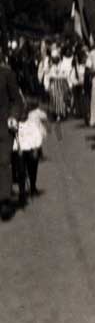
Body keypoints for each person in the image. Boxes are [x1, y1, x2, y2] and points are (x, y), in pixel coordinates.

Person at [11, 96, 47, 205]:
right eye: (21, 113)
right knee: (21, 171)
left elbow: (37, 136)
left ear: (28, 113)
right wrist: (16, 148)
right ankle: (22, 192)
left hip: (31, 149)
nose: (23, 115)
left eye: (25, 113)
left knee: (33, 168)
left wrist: (36, 149)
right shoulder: (15, 125)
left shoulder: (32, 124)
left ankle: (33, 187)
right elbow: (14, 139)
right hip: (20, 151)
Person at [1, 55, 24, 221]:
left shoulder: (6, 74)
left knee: (3, 162)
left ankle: (4, 200)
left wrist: (14, 116)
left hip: (3, 127)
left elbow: (17, 100)